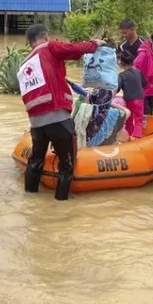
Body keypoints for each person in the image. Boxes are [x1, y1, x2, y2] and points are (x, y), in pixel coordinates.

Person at [19, 23, 106, 201]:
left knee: (35, 161)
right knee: (67, 164)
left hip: (36, 124)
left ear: (29, 41)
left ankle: (29, 199)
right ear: (46, 36)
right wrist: (94, 44)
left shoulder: (26, 62)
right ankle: (61, 203)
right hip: (58, 118)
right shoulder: (49, 47)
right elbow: (73, 48)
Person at [116, 52, 146, 139]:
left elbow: (117, 88)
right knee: (138, 119)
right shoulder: (138, 72)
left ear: (121, 63)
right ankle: (137, 137)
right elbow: (144, 84)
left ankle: (128, 136)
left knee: (129, 118)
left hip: (129, 100)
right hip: (139, 99)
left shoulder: (121, 75)